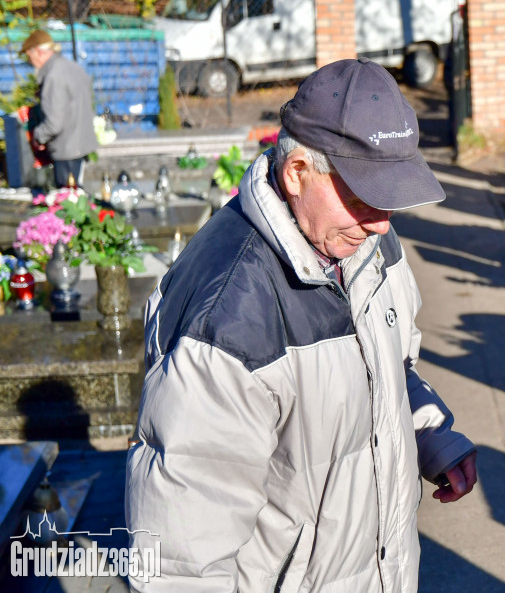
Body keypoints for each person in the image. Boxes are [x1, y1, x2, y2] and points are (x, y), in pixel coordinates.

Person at [126, 58, 478, 591]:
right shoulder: (229, 318)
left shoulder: (361, 236)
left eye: (390, 197)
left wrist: (431, 437)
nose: (382, 221)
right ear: (296, 174)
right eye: (363, 196)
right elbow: (181, 557)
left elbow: (386, 366)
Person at [20, 30, 98, 187]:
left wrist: (37, 137)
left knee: (66, 201)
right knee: (76, 196)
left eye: (30, 56)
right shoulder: (71, 67)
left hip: (66, 149)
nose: (30, 61)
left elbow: (54, 122)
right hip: (79, 145)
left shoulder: (53, 76)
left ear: (39, 52)